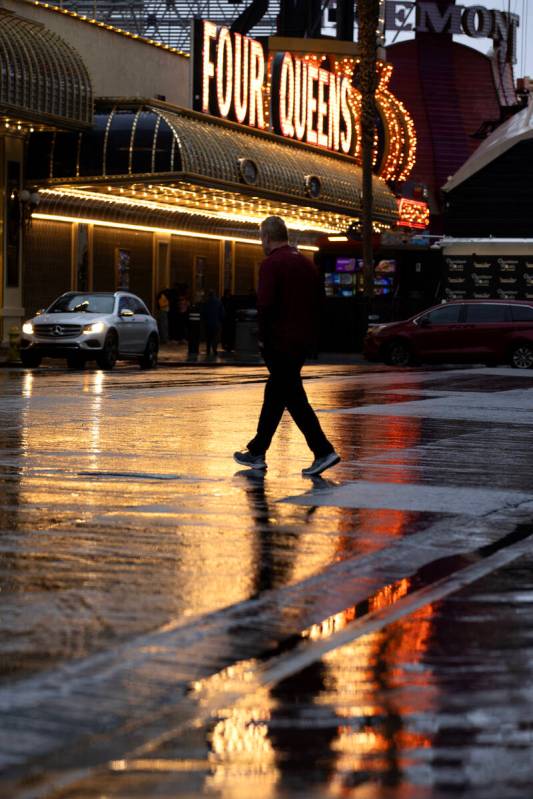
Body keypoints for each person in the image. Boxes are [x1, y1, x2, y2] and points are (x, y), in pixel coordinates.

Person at [233, 216, 340, 477]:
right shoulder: (305, 263)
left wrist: (262, 335)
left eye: (262, 237)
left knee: (290, 396)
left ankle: (322, 450)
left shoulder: (272, 264)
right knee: (278, 392)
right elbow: (320, 303)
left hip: (279, 341)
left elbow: (266, 304)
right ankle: (258, 450)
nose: (262, 242)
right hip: (302, 341)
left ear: (267, 237)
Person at [201, 289, 225, 358]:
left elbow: (203, 313)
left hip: (208, 323)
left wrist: (204, 321)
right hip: (216, 323)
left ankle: (208, 349)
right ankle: (214, 349)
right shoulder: (218, 302)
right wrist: (220, 320)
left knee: (208, 337)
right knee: (215, 337)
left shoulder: (206, 302)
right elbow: (222, 313)